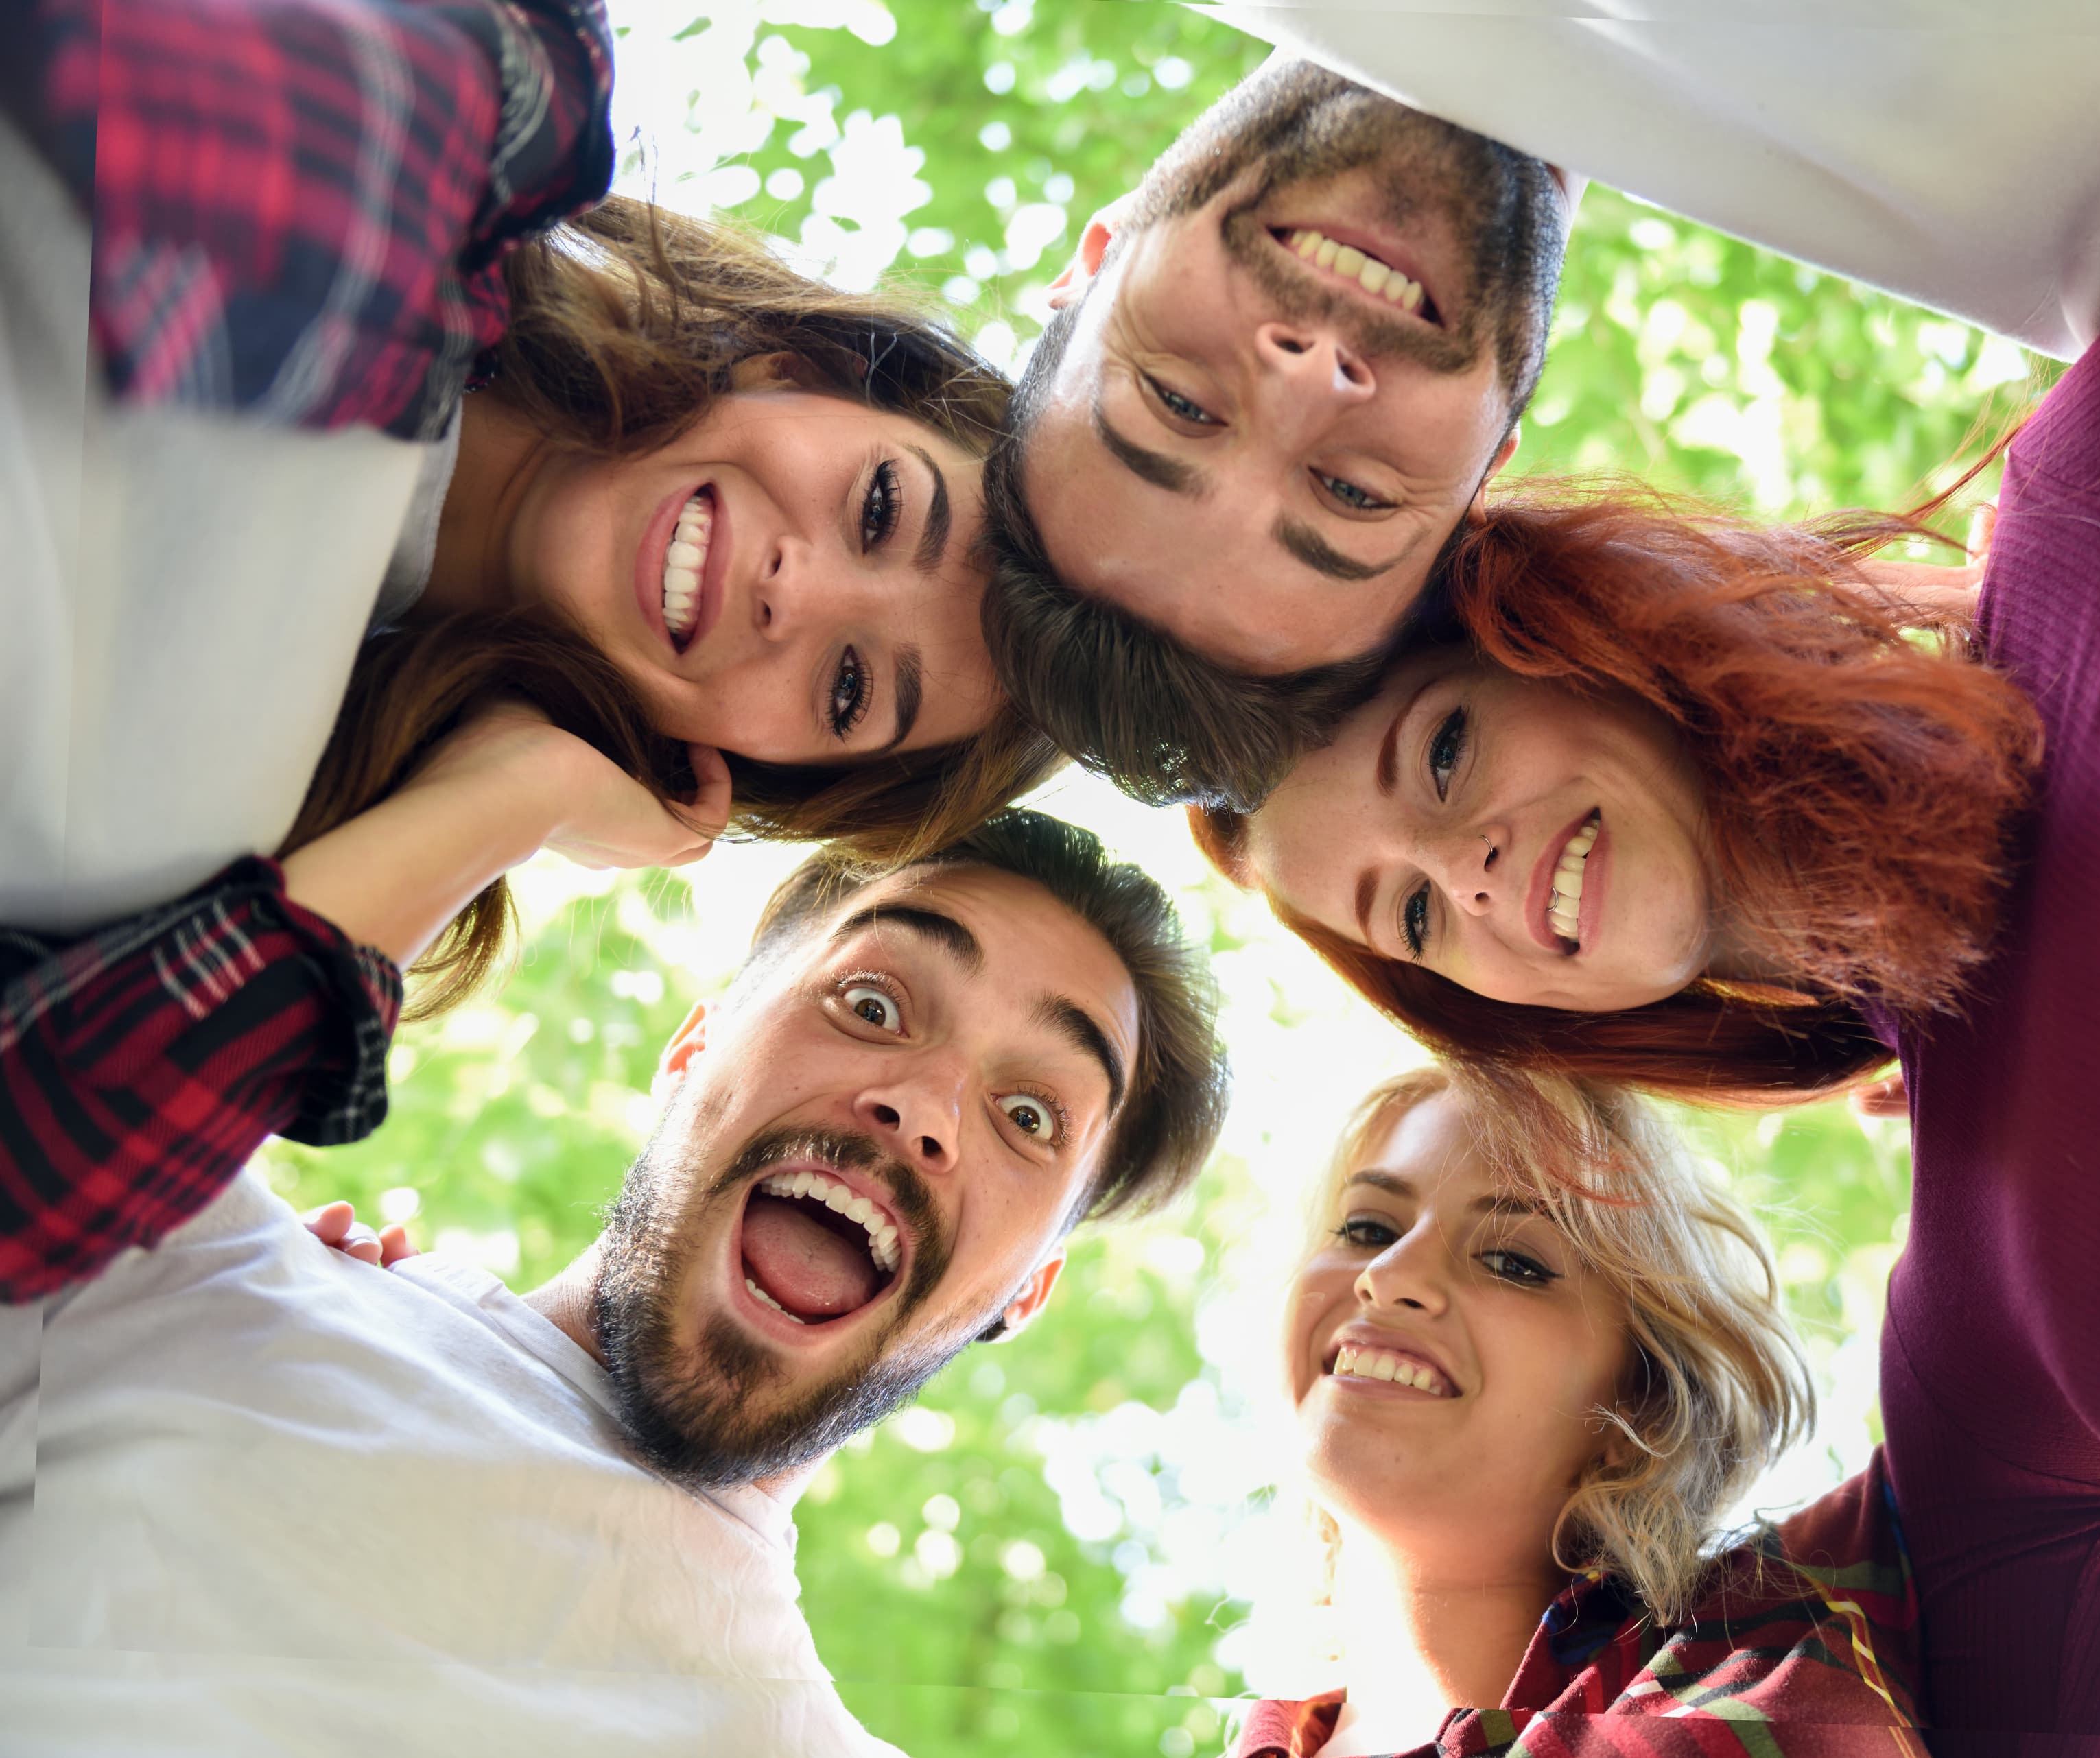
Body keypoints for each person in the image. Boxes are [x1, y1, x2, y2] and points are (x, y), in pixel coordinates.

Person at [1195, 0, 2100, 1745]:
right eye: (1411, 917)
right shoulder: (1974, 1367)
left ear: (1555, 638)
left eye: (1440, 757)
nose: (1471, 870)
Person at [983, 0, 2100, 813]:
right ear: (1492, 451)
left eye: (1172, 404)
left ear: (1096, 256)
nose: (1307, 384)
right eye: (1349, 500)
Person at [0, 807, 1228, 1753]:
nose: (922, 1108)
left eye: (1027, 1112)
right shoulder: (193, 1259)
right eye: (871, 1000)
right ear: (691, 1050)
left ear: (1028, 1290)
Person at [3, 0, 1056, 1007]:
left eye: (848, 690)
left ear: (736, 760)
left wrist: (519, 794)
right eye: (880, 508)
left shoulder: (224, 846)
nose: (799, 591)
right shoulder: (493, 106)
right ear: (796, 369)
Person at [1229, 1064, 1919, 1757]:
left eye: (1511, 1261)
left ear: (1641, 1411)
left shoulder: (1765, 1679)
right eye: (1368, 1227)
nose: (1388, 1276)